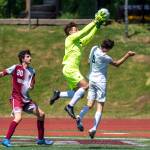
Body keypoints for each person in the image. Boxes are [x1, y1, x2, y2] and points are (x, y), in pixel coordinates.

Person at [50, 9, 109, 119]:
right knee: (86, 86)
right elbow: (83, 32)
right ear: (70, 32)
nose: (77, 30)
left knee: (79, 93)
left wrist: (98, 25)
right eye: (75, 29)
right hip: (70, 68)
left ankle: (58, 94)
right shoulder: (70, 38)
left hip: (70, 69)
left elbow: (89, 36)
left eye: (77, 29)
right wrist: (95, 21)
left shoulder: (79, 42)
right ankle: (69, 106)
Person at [75, 39, 135, 139]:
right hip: (100, 82)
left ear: (102, 44)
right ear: (110, 48)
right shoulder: (105, 57)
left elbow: (89, 61)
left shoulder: (94, 48)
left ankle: (79, 117)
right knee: (100, 107)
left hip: (91, 79)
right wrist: (127, 55)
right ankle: (93, 128)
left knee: (89, 105)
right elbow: (117, 64)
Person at [0, 50, 53, 147]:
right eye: (28, 56)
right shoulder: (16, 67)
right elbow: (3, 73)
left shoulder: (32, 71)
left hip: (26, 100)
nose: (30, 58)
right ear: (22, 58)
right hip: (16, 99)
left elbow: (32, 84)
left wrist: (32, 86)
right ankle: (6, 140)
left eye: (30, 56)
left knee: (41, 114)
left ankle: (41, 140)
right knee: (18, 118)